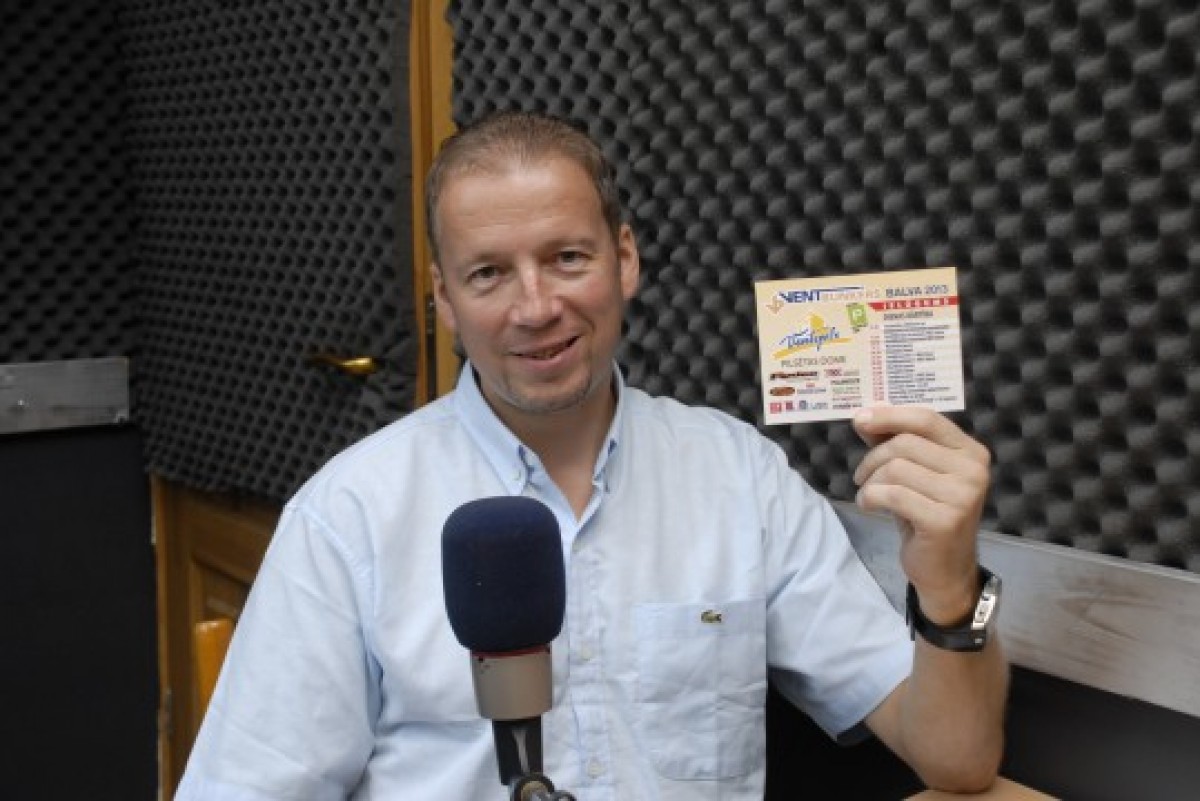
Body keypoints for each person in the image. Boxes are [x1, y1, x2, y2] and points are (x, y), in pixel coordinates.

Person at [177, 110, 1008, 800]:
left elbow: (955, 760)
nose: (535, 307)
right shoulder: (348, 515)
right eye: (489, 274)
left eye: (566, 258)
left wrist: (947, 586)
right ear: (444, 298)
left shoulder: (738, 476)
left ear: (625, 258)